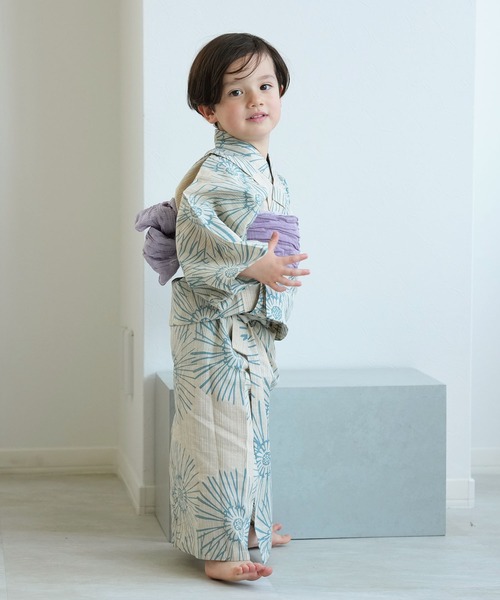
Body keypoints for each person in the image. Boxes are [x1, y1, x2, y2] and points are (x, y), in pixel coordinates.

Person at [148, 33, 310, 582]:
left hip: (247, 322)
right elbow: (197, 244)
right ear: (209, 110)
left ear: (280, 91)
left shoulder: (267, 170)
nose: (256, 99)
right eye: (237, 92)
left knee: (252, 431)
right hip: (213, 326)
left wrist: (274, 273)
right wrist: (256, 265)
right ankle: (219, 552)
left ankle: (251, 528)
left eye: (265, 85)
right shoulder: (219, 172)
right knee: (219, 435)